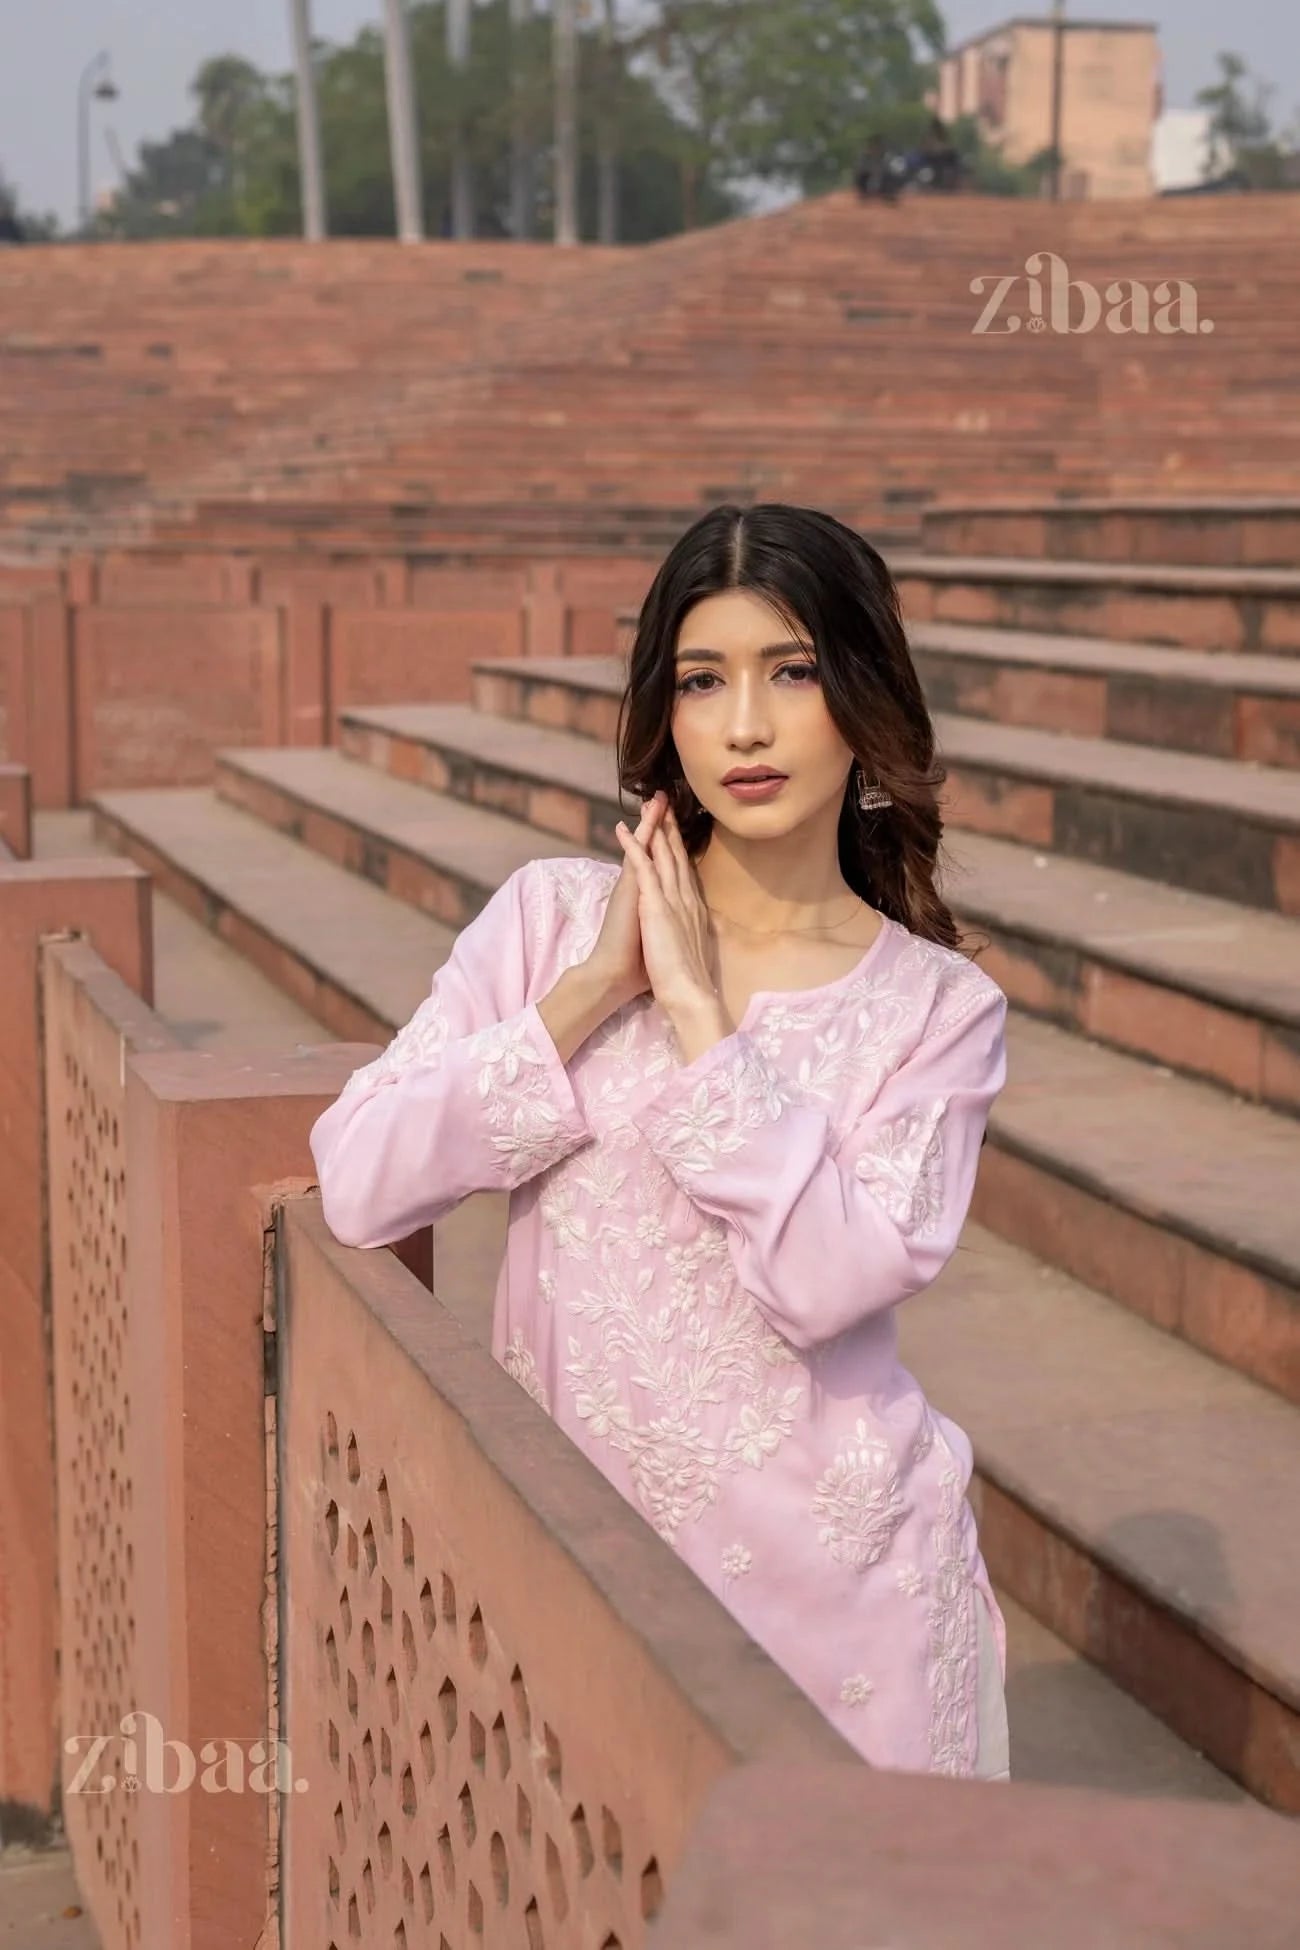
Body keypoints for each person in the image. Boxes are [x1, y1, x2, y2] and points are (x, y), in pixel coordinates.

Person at [309, 502, 1012, 1783]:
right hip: (579, 1588)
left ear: (863, 700)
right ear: (664, 718)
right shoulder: (549, 921)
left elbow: (825, 1285)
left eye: (790, 672)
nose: (743, 724)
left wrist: (698, 1018)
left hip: (851, 1625)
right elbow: (357, 1180)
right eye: (702, 680)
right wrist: (594, 990)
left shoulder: (934, 1009)